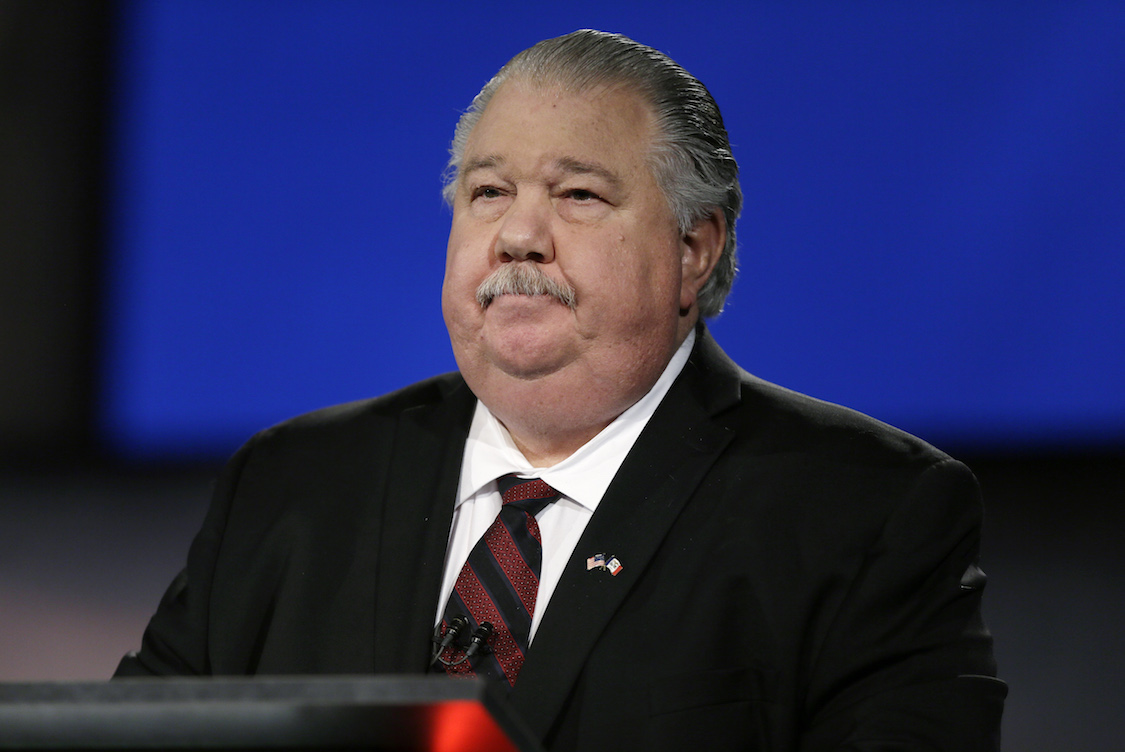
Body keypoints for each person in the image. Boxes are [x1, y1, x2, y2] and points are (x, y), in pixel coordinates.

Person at [116, 30, 1005, 750]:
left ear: (693, 250)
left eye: (577, 195)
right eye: (488, 191)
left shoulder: (865, 511)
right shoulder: (293, 484)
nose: (518, 236)